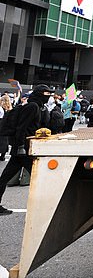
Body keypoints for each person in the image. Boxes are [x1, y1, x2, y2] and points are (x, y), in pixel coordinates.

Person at [0, 85, 53, 216]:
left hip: (25, 148)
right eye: (46, 94)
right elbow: (21, 127)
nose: (48, 96)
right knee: (41, 177)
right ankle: (47, 207)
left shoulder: (38, 106)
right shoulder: (32, 106)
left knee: (5, 177)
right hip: (23, 149)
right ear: (40, 94)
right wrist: (20, 146)